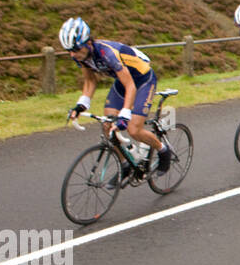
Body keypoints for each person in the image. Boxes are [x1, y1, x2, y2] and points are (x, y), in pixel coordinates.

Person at [60, 17, 176, 183]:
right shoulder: (80, 56)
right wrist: (81, 105)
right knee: (107, 125)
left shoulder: (107, 53)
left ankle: (163, 150)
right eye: (68, 51)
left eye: (75, 49)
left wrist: (125, 114)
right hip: (123, 82)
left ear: (87, 43)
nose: (72, 54)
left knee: (133, 129)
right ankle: (126, 165)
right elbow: (90, 81)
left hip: (142, 81)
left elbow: (131, 85)